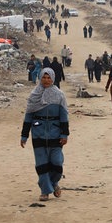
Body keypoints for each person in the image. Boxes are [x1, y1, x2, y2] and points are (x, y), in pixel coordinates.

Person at [20, 68, 69, 202]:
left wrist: (65, 134)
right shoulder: (34, 95)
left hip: (55, 133)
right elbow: (28, 116)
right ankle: (45, 191)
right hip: (38, 133)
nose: (46, 80)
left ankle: (53, 183)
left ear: (53, 78)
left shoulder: (59, 95)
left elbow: (64, 116)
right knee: (41, 165)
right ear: (40, 78)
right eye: (44, 78)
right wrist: (24, 136)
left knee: (57, 163)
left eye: (49, 78)